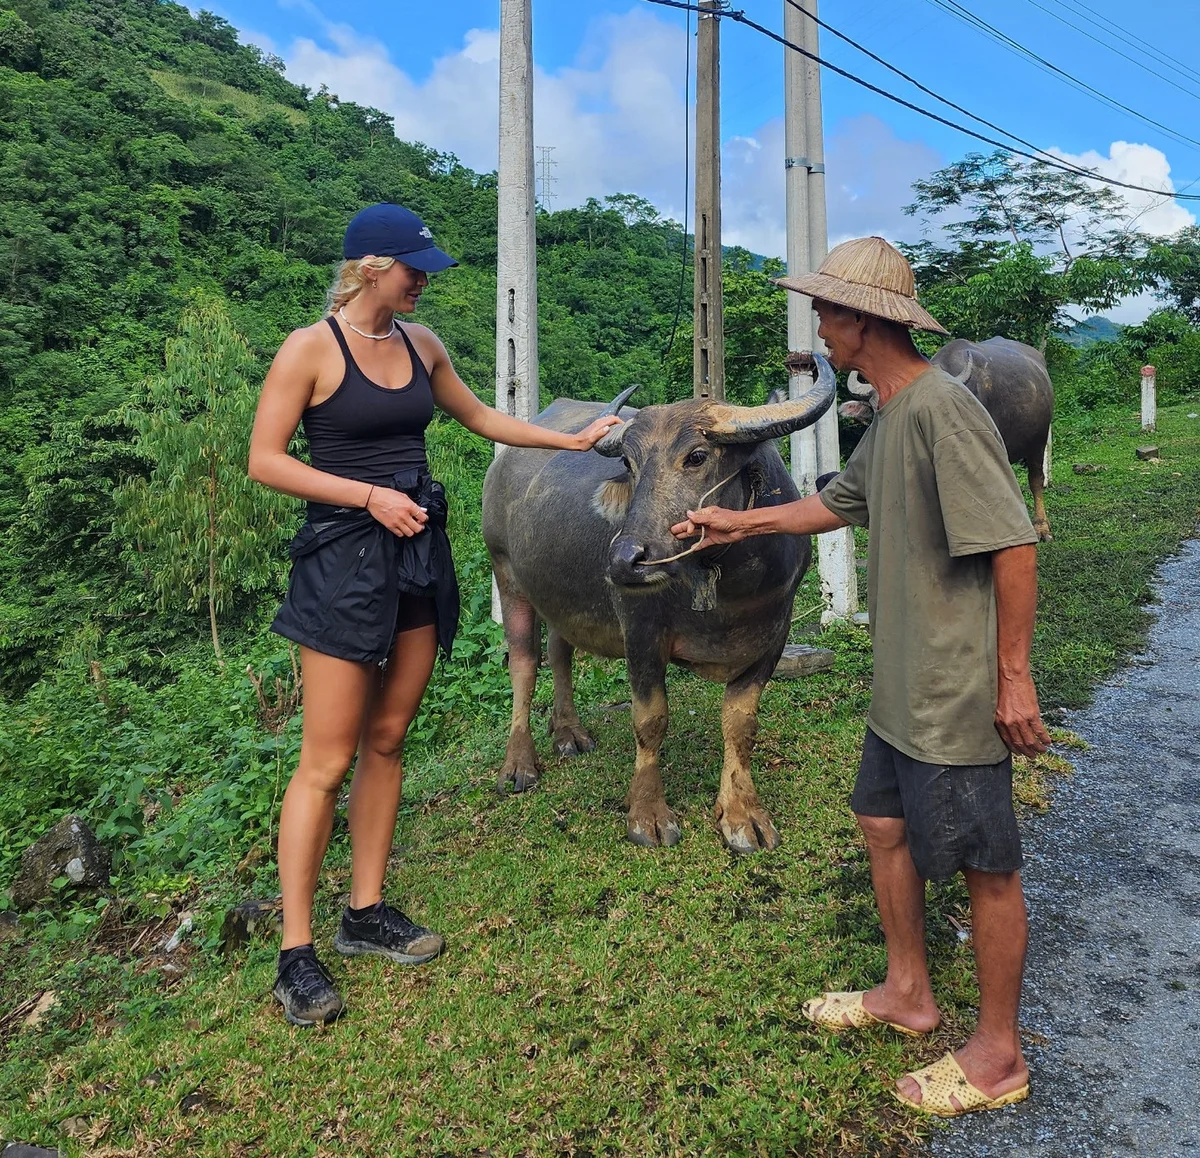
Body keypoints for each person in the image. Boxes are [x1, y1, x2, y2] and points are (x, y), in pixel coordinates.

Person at [671, 236, 1052, 1117]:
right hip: (900, 687)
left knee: (986, 868)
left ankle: (998, 1054)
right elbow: (836, 505)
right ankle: (909, 994)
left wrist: (1015, 678)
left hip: (952, 688)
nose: (817, 328)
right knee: (881, 821)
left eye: (825, 312)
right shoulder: (891, 416)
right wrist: (734, 524)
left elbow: (1013, 545)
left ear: (860, 319)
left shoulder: (945, 413)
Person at [248, 203, 621, 1027]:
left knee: (388, 739)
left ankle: (366, 913)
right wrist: (370, 495)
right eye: (415, 266)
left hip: (417, 554)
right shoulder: (310, 349)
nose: (426, 279)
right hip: (343, 563)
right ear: (370, 266)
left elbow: (482, 419)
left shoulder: (422, 346)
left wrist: (577, 441)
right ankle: (295, 954)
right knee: (326, 759)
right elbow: (266, 460)